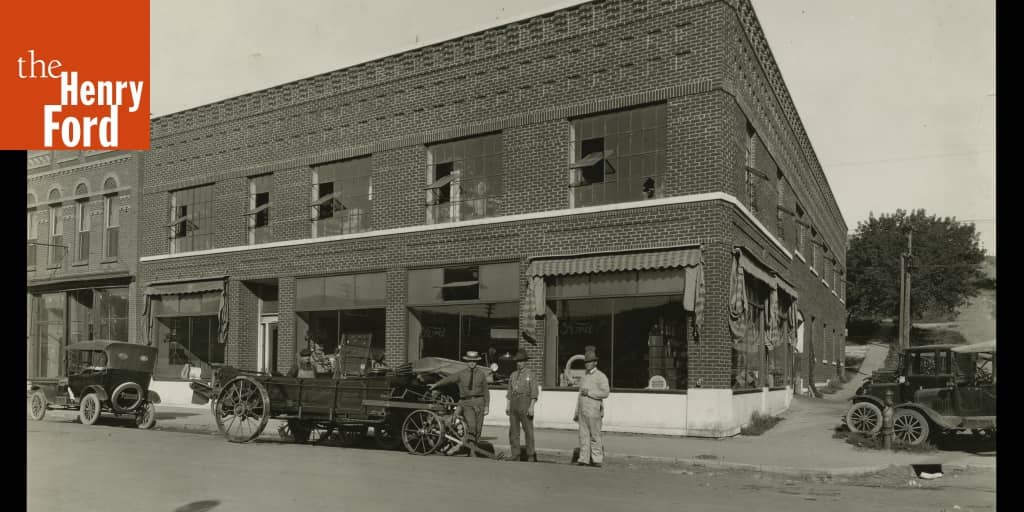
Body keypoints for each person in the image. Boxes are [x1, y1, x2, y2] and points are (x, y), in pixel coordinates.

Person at [429, 350, 490, 456]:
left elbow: (486, 391)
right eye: (470, 361)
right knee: (472, 426)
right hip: (466, 403)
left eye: (474, 361)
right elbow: (448, 379)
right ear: (467, 362)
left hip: (479, 402)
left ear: (476, 362)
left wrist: (487, 406)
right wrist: (435, 385)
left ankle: (473, 448)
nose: (472, 363)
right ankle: (472, 451)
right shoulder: (461, 374)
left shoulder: (481, 375)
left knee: (478, 429)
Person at [574, 351, 609, 468]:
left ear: (595, 363)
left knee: (595, 436)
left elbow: (605, 392)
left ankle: (597, 459)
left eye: (590, 362)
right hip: (583, 411)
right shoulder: (585, 376)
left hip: (594, 411)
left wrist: (589, 392)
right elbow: (580, 394)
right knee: (583, 436)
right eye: (586, 362)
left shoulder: (601, 376)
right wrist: (576, 411)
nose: (587, 364)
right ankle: (584, 459)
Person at [506, 349, 539, 462]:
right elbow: (509, 391)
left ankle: (530, 454)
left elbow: (534, 392)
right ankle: (515, 454)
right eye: (517, 361)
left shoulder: (531, 374)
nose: (519, 363)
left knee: (528, 430)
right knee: (513, 431)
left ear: (525, 361)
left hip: (525, 402)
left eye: (521, 361)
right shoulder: (513, 375)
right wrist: (508, 405)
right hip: (514, 402)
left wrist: (531, 407)